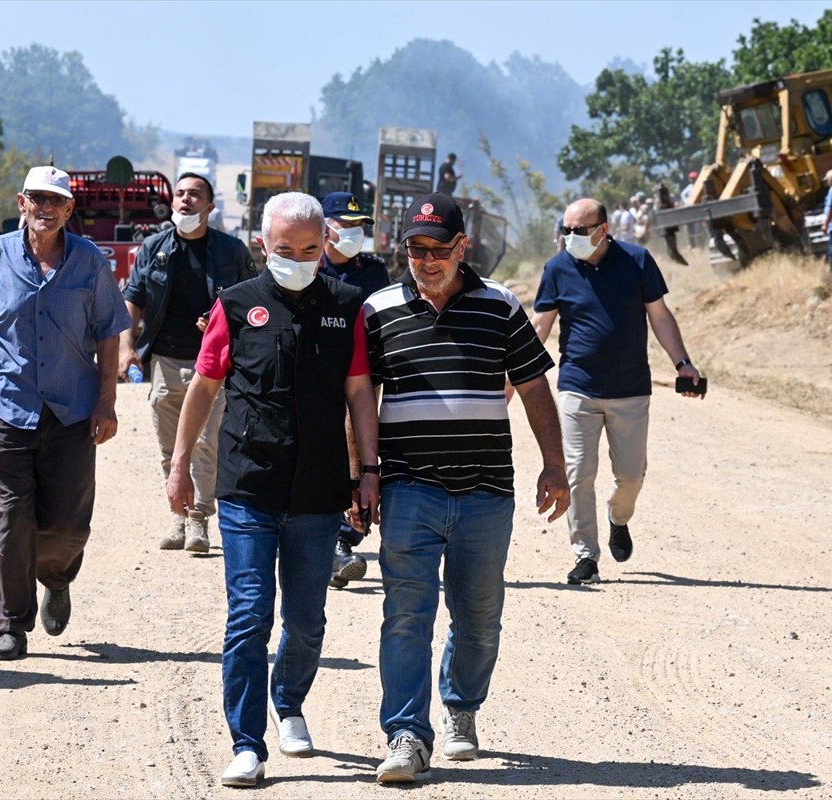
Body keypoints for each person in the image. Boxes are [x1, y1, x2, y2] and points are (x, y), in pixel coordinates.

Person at [167, 192, 379, 788]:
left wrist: (368, 470)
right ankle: (246, 742)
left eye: (311, 249)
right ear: (264, 245)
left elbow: (360, 391)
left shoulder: (346, 306)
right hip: (247, 487)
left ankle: (289, 703)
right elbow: (204, 389)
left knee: (308, 619)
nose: (299, 259)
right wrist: (180, 465)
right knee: (250, 616)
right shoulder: (235, 306)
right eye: (286, 250)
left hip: (317, 492)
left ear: (326, 246)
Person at [365, 192, 569, 784]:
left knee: (479, 616)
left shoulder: (500, 307)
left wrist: (554, 466)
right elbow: (362, 401)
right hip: (410, 490)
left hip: (485, 492)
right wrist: (363, 474)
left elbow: (534, 390)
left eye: (438, 250)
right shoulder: (378, 311)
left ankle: (460, 709)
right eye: (415, 249)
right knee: (406, 612)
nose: (426, 261)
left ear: (463, 248)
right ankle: (406, 732)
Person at [0, 166, 131, 661]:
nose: (46, 208)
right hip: (8, 405)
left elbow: (108, 332)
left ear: (70, 209)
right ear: (21, 202)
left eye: (57, 201)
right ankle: (10, 624)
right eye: (37, 199)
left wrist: (107, 401)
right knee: (6, 515)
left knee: (65, 524)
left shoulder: (90, 261)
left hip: (70, 410)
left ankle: (56, 578)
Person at [532, 198, 704, 588]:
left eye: (578, 230)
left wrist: (683, 364)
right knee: (577, 474)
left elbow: (660, 316)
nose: (569, 237)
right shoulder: (558, 268)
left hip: (630, 389)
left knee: (630, 476)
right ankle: (585, 556)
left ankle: (618, 518)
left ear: (603, 229)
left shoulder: (637, 261)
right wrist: (513, 378)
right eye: (566, 229)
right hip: (578, 387)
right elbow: (540, 325)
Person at [121, 172, 255, 554]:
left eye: (195, 195)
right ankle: (177, 515)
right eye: (179, 194)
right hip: (164, 358)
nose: (184, 201)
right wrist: (126, 347)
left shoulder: (232, 252)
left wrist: (223, 322)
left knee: (207, 443)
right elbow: (133, 297)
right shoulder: (153, 248)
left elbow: (254, 301)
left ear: (210, 206)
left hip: (212, 366)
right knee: (170, 447)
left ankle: (199, 520)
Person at [318, 190, 391, 589]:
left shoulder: (375, 273)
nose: (353, 233)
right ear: (326, 228)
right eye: (346, 225)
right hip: (318, 375)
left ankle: (345, 537)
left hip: (365, 376)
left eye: (359, 226)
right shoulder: (306, 266)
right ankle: (327, 538)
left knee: (362, 447)